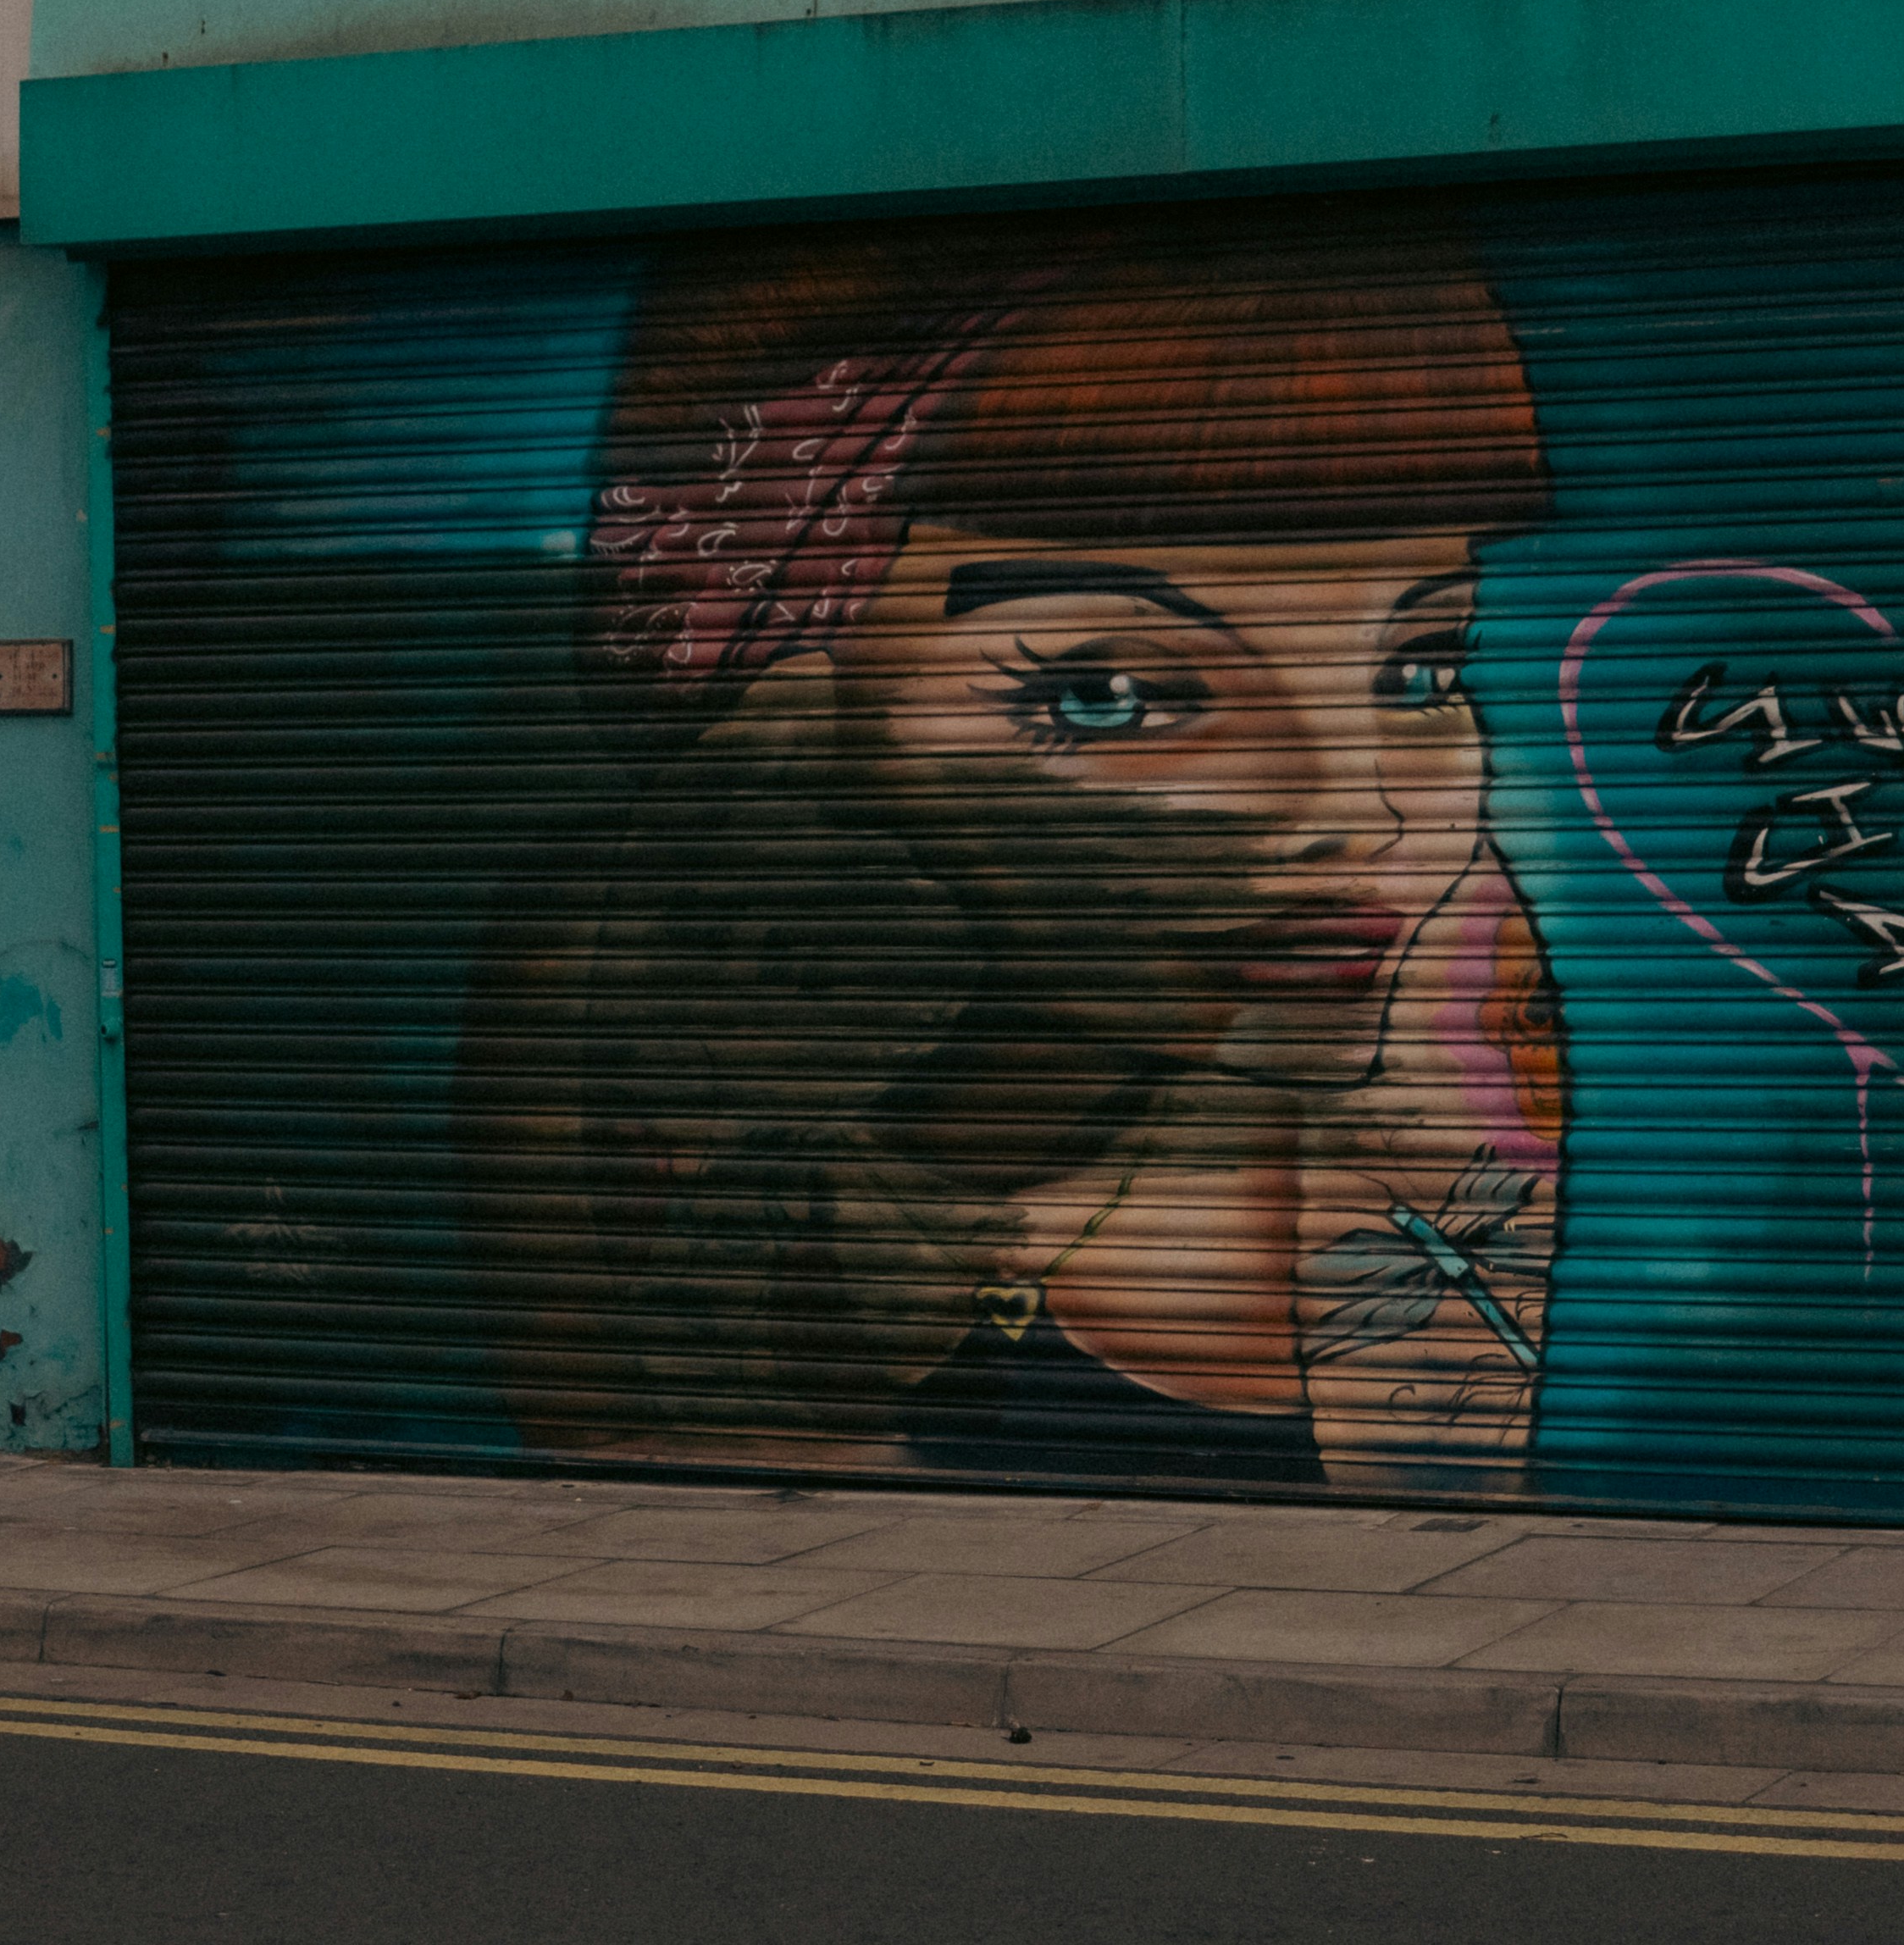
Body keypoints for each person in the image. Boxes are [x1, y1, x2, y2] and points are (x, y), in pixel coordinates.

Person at [456, 206, 1563, 1490]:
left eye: (1419, 669)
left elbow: (1437, 1518)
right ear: (790, 698)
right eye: (1111, 692)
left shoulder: (1432, 983)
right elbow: (661, 1502)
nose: (1361, 810)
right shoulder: (616, 968)